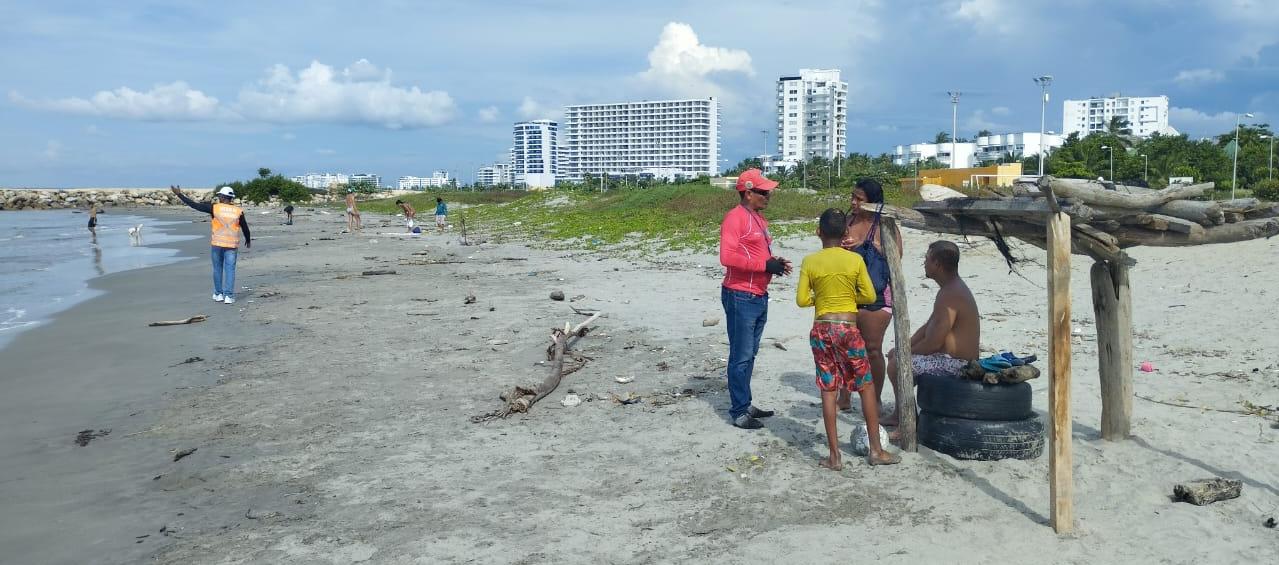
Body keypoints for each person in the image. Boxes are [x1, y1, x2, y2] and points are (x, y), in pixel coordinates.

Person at [797, 208, 900, 468]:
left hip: (822, 328)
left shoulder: (810, 261)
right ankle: (876, 450)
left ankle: (834, 456)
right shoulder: (853, 261)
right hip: (847, 327)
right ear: (845, 233)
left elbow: (801, 300)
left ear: (818, 232)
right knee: (865, 386)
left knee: (828, 389)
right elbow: (868, 295)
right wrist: (848, 297)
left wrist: (819, 298)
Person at [719, 168, 792, 430]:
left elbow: (758, 254)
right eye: (763, 192)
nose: (768, 195)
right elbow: (727, 258)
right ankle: (739, 411)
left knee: (750, 354)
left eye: (768, 191)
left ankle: (745, 403)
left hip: (758, 296)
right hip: (740, 295)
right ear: (748, 193)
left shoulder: (758, 219)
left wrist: (775, 263)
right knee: (740, 355)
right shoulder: (734, 218)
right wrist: (765, 265)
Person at [841, 178, 905, 424]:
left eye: (859, 199)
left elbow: (896, 256)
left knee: (873, 349)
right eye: (852, 197)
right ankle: (845, 396)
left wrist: (868, 245)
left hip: (877, 295)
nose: (853, 202)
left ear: (873, 203)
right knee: (846, 347)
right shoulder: (848, 221)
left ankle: (875, 399)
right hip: (848, 293)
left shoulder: (884, 224)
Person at [887, 240, 981, 382]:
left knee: (896, 364)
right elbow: (927, 328)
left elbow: (933, 344)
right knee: (896, 356)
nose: (924, 263)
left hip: (958, 364)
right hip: (950, 359)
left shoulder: (950, 294)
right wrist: (903, 347)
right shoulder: (950, 289)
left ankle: (904, 405)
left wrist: (904, 353)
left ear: (937, 264)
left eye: (926, 259)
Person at [171, 185, 251, 304]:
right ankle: (228, 296)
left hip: (217, 244)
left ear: (223, 197)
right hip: (231, 245)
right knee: (230, 270)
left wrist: (179, 194)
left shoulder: (215, 208)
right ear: (231, 198)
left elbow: (194, 205)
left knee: (217, 269)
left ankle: (218, 294)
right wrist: (248, 239)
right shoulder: (238, 211)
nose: (218, 198)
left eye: (219, 196)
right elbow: (245, 227)